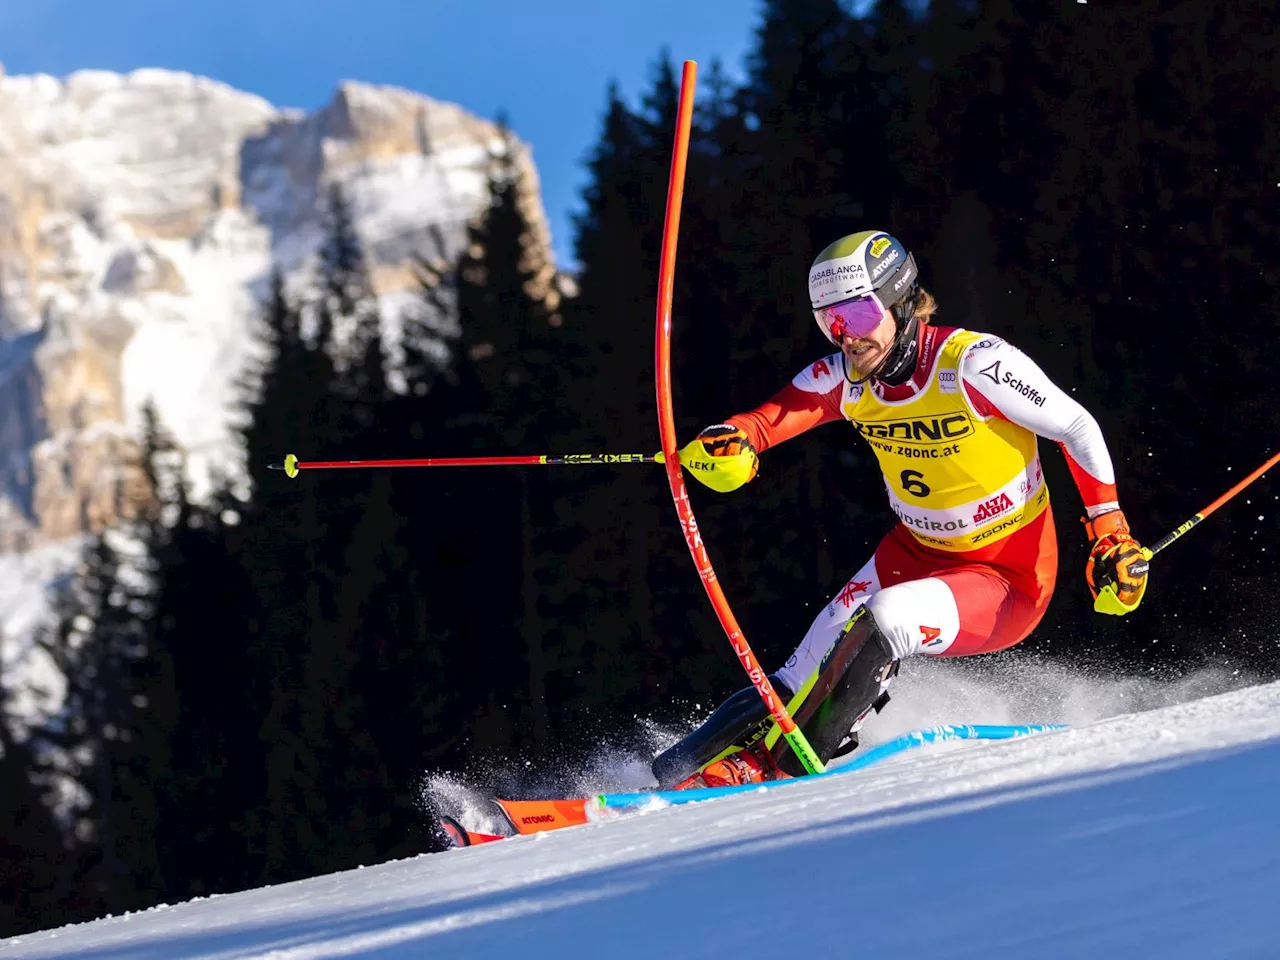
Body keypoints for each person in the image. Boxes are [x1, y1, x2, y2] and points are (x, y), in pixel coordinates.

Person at [652, 230, 1150, 790]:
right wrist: (729, 441)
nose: (847, 337)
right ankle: (670, 775)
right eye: (830, 322)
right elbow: (764, 423)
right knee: (793, 681)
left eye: (860, 316)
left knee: (887, 617)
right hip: (912, 554)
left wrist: (1110, 531)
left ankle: (775, 769)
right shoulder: (845, 379)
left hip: (1005, 576)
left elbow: (1076, 426)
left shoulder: (974, 365)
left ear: (901, 300)